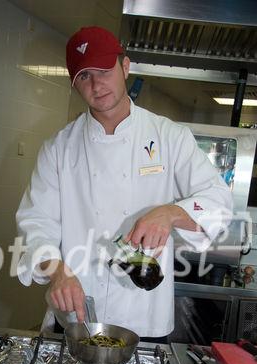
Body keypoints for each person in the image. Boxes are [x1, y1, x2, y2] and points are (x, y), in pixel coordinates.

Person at [16, 26, 233, 341]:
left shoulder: (169, 137)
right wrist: (58, 272)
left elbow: (219, 201)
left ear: (125, 66)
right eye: (84, 76)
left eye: (104, 71)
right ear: (74, 83)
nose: (97, 84)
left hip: (143, 315)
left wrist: (171, 212)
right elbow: (36, 223)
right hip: (78, 312)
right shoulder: (59, 148)